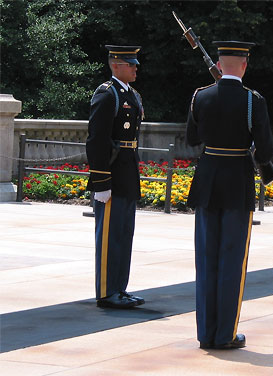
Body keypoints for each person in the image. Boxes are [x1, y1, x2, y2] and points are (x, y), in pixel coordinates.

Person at [186, 41, 273, 349]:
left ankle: (205, 334)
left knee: (206, 258)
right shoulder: (253, 101)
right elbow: (266, 150)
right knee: (231, 260)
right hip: (237, 182)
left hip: (208, 180)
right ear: (245, 65)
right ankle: (225, 334)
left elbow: (191, 139)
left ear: (220, 65)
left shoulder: (200, 96)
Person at [86, 45, 145, 309]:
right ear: (116, 65)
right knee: (110, 236)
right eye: (130, 64)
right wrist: (101, 182)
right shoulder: (107, 94)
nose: (135, 68)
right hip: (111, 174)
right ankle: (107, 292)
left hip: (127, 173)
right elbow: (97, 140)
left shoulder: (132, 95)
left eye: (135, 63)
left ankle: (120, 288)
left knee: (123, 234)